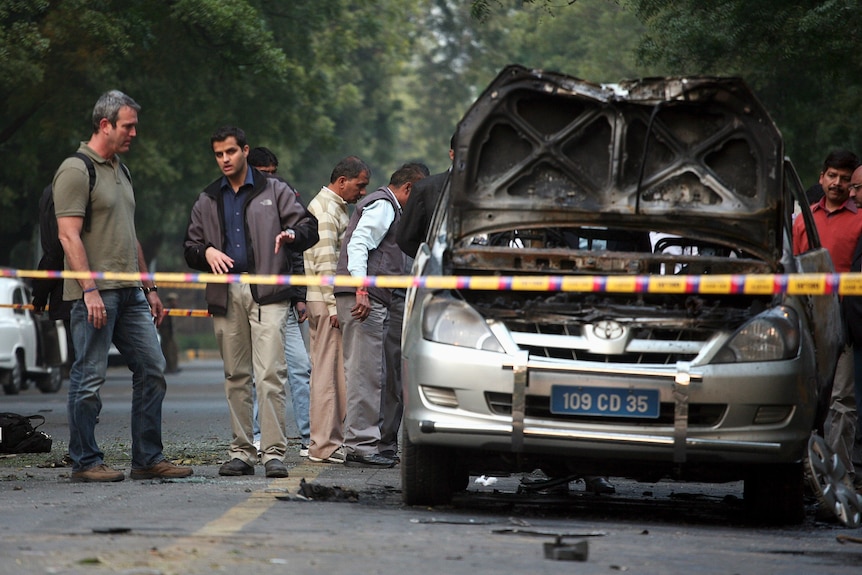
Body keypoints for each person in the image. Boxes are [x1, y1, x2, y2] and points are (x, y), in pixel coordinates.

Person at [54, 90, 193, 482]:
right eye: (128, 126)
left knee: (153, 368)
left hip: (130, 291)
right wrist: (90, 289)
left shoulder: (120, 169)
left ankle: (148, 459)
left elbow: (129, 235)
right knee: (89, 377)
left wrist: (148, 286)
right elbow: (68, 236)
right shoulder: (77, 169)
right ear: (105, 125)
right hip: (95, 294)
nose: (134, 133)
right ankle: (85, 461)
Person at [183, 126, 318, 478]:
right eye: (218, 154)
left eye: (230, 152)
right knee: (236, 376)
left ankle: (273, 453)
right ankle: (242, 452)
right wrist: (207, 251)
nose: (225, 159)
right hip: (226, 294)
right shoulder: (208, 198)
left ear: (244, 151)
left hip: (268, 292)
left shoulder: (275, 190)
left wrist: (291, 235)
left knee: (271, 373)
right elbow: (190, 246)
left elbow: (308, 225)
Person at [334, 163, 428, 467]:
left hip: (370, 298)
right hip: (364, 299)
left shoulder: (388, 208)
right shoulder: (384, 206)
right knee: (365, 374)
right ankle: (361, 446)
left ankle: (365, 442)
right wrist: (361, 289)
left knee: (372, 373)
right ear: (409, 189)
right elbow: (359, 245)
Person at [793, 149, 862, 487]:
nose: (837, 183)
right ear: (821, 177)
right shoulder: (802, 220)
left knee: (842, 402)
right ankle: (803, 474)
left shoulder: (861, 220)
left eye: (845, 178)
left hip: (847, 322)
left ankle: (839, 480)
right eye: (832, 176)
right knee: (804, 397)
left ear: (853, 184)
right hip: (807, 323)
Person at [304, 156, 371, 464]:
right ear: (342, 182)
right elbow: (324, 265)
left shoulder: (336, 207)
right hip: (325, 299)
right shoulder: (326, 210)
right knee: (327, 375)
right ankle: (323, 446)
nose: (361, 193)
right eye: (359, 185)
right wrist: (333, 307)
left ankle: (329, 442)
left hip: (325, 299)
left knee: (331, 373)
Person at [247, 146, 311, 456]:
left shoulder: (285, 196)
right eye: (263, 173)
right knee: (260, 370)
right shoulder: (234, 199)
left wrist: (300, 296)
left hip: (282, 299)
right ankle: (259, 435)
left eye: (273, 173)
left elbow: (296, 248)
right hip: (248, 297)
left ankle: (309, 437)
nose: (269, 179)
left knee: (300, 367)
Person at [396, 137, 455, 258]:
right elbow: (406, 238)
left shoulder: (496, 192)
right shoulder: (425, 189)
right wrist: (431, 260)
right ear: (452, 154)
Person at [159, 293, 181, 374]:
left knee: (173, 350)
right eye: (174, 301)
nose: (176, 302)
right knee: (167, 351)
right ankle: (169, 367)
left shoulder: (173, 309)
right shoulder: (166, 309)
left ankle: (173, 367)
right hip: (166, 333)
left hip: (171, 333)